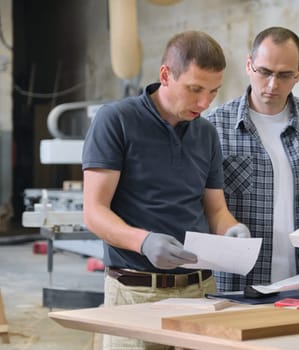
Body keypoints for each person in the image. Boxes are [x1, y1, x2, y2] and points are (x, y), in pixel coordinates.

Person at [82, 31, 250, 350]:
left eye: (213, 92)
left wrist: (232, 230)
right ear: (165, 75)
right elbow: (94, 212)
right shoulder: (116, 120)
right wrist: (143, 242)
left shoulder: (206, 132)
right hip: (134, 291)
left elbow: (215, 209)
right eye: (195, 89)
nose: (204, 103)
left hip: (199, 292)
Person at [205, 26, 299, 292]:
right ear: (249, 65)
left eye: (284, 75)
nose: (273, 85)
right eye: (265, 72)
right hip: (236, 286)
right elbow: (202, 203)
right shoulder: (214, 127)